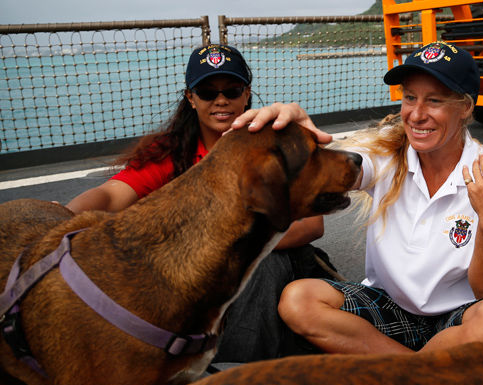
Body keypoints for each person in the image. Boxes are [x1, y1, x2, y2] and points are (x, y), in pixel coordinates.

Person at [236, 41, 483, 354]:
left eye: (434, 101)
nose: (416, 115)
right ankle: (416, 372)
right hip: (389, 306)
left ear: (465, 107)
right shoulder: (387, 152)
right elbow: (341, 170)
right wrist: (297, 140)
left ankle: (392, 373)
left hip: (458, 314)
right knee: (298, 300)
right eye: (410, 97)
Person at [66, 44, 335, 363]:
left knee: (256, 265)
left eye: (232, 90)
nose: (221, 100)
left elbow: (311, 224)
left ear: (246, 94)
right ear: (191, 98)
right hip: (202, 271)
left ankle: (232, 373)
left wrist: (226, 241)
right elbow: (111, 196)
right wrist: (64, 216)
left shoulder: (274, 144)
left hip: (275, 261)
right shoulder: (173, 152)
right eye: (207, 92)